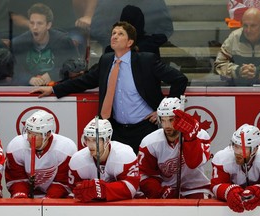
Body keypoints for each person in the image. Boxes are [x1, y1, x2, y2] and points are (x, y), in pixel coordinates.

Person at [31, 21, 188, 154]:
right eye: (113, 33)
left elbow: (179, 79)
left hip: (145, 128)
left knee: (145, 175)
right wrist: (54, 89)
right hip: (116, 129)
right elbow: (85, 80)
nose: (115, 36)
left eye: (120, 34)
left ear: (130, 42)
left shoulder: (146, 61)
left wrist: (164, 110)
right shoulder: (106, 61)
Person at [138, 97, 212, 199]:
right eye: (163, 120)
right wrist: (161, 191)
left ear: (181, 118)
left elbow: (194, 163)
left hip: (196, 188)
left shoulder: (200, 135)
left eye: (171, 120)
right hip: (166, 188)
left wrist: (190, 139)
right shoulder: (149, 143)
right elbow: (145, 175)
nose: (167, 125)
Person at [5, 109, 77, 198]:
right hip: (29, 195)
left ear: (47, 134)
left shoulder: (65, 148)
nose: (29, 138)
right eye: (28, 133)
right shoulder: (16, 146)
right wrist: (21, 198)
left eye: (35, 135)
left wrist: (49, 200)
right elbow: (17, 179)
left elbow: (63, 182)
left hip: (55, 196)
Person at [68, 118, 139, 202]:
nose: (90, 145)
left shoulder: (124, 154)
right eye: (87, 139)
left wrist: (102, 190)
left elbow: (131, 189)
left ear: (107, 139)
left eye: (95, 140)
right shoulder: (77, 160)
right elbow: (75, 192)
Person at [11, 3, 79, 86]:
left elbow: (75, 66)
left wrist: (53, 75)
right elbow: (12, 70)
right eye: (32, 23)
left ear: (48, 25)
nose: (35, 27)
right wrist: (28, 79)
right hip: (27, 91)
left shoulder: (63, 41)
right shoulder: (18, 44)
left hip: (57, 89)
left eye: (39, 23)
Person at [211, 124, 260, 213]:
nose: (238, 153)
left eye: (244, 149)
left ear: (255, 150)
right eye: (236, 146)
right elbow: (215, 186)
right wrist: (228, 192)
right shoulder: (222, 158)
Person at [214, 7, 260, 86]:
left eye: (253, 26)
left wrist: (258, 71)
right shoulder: (234, 37)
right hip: (238, 89)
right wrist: (237, 71)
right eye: (245, 25)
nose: (248, 30)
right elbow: (218, 65)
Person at [90, 0, 173, 49]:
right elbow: (96, 27)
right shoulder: (108, 2)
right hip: (114, 56)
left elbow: (166, 28)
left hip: (146, 58)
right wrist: (114, 43)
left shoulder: (154, 2)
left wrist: (143, 46)